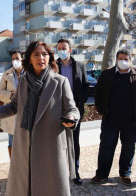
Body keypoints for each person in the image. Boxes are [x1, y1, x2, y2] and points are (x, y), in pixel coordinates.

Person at [0, 41, 80, 196]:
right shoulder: (22, 82)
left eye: (44, 54)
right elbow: (14, 107)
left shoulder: (60, 82)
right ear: (29, 59)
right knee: (24, 187)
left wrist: (71, 117)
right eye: (36, 54)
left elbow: (72, 109)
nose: (40, 57)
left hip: (50, 145)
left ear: (50, 58)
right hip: (25, 142)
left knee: (50, 188)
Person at [91, 49, 136, 186]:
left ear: (131, 60)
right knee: (106, 147)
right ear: (116, 59)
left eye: (126, 59)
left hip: (132, 120)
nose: (123, 61)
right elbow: (98, 93)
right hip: (111, 119)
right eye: (121, 58)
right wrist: (101, 109)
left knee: (128, 147)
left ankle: (125, 173)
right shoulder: (107, 74)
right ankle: (101, 174)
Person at [56, 38, 89, 185]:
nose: (62, 50)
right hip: (56, 110)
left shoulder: (79, 66)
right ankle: (59, 171)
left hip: (74, 110)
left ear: (70, 50)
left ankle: (75, 172)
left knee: (74, 141)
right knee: (57, 141)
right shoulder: (53, 66)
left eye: (64, 48)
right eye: (59, 48)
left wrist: (79, 104)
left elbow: (85, 86)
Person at [0, 50, 24, 158]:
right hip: (12, 114)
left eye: (17, 58)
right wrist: (11, 95)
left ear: (22, 60)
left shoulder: (30, 73)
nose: (15, 61)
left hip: (26, 113)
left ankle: (26, 171)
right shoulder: (7, 74)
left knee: (27, 144)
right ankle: (14, 170)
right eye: (13, 59)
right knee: (12, 143)